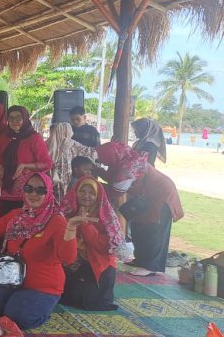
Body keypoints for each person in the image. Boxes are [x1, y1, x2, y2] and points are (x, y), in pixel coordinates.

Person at [0, 172, 79, 330]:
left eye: (40, 190)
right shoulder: (17, 215)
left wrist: (71, 228)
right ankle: (16, 301)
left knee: (16, 316)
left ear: (48, 192)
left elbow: (68, 258)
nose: (33, 194)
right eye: (29, 188)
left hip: (42, 286)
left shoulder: (57, 220)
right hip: (11, 279)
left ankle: (42, 309)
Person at [95, 142, 183, 276]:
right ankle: (141, 260)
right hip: (146, 197)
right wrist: (97, 171)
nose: (102, 161)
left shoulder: (129, 167)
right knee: (139, 227)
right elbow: (113, 179)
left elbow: (116, 191)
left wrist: (93, 184)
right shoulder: (123, 160)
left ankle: (151, 266)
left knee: (154, 230)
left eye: (103, 158)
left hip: (161, 196)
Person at [60, 177, 122, 311]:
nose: (86, 196)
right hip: (72, 261)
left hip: (98, 263)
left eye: (91, 192)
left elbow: (104, 246)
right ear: (75, 192)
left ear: (98, 196)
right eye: (82, 191)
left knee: (88, 299)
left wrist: (85, 225)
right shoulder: (66, 212)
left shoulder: (106, 217)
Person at [0, 106, 53, 216]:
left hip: (27, 191)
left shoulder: (35, 138)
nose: (14, 121)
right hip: (5, 189)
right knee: (5, 219)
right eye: (11, 118)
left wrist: (26, 166)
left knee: (22, 220)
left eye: (18, 118)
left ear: (25, 119)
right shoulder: (6, 137)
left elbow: (47, 163)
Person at [46, 122, 96, 202]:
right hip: (65, 177)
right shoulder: (71, 144)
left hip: (49, 176)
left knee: (52, 195)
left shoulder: (47, 144)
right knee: (65, 195)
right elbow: (89, 152)